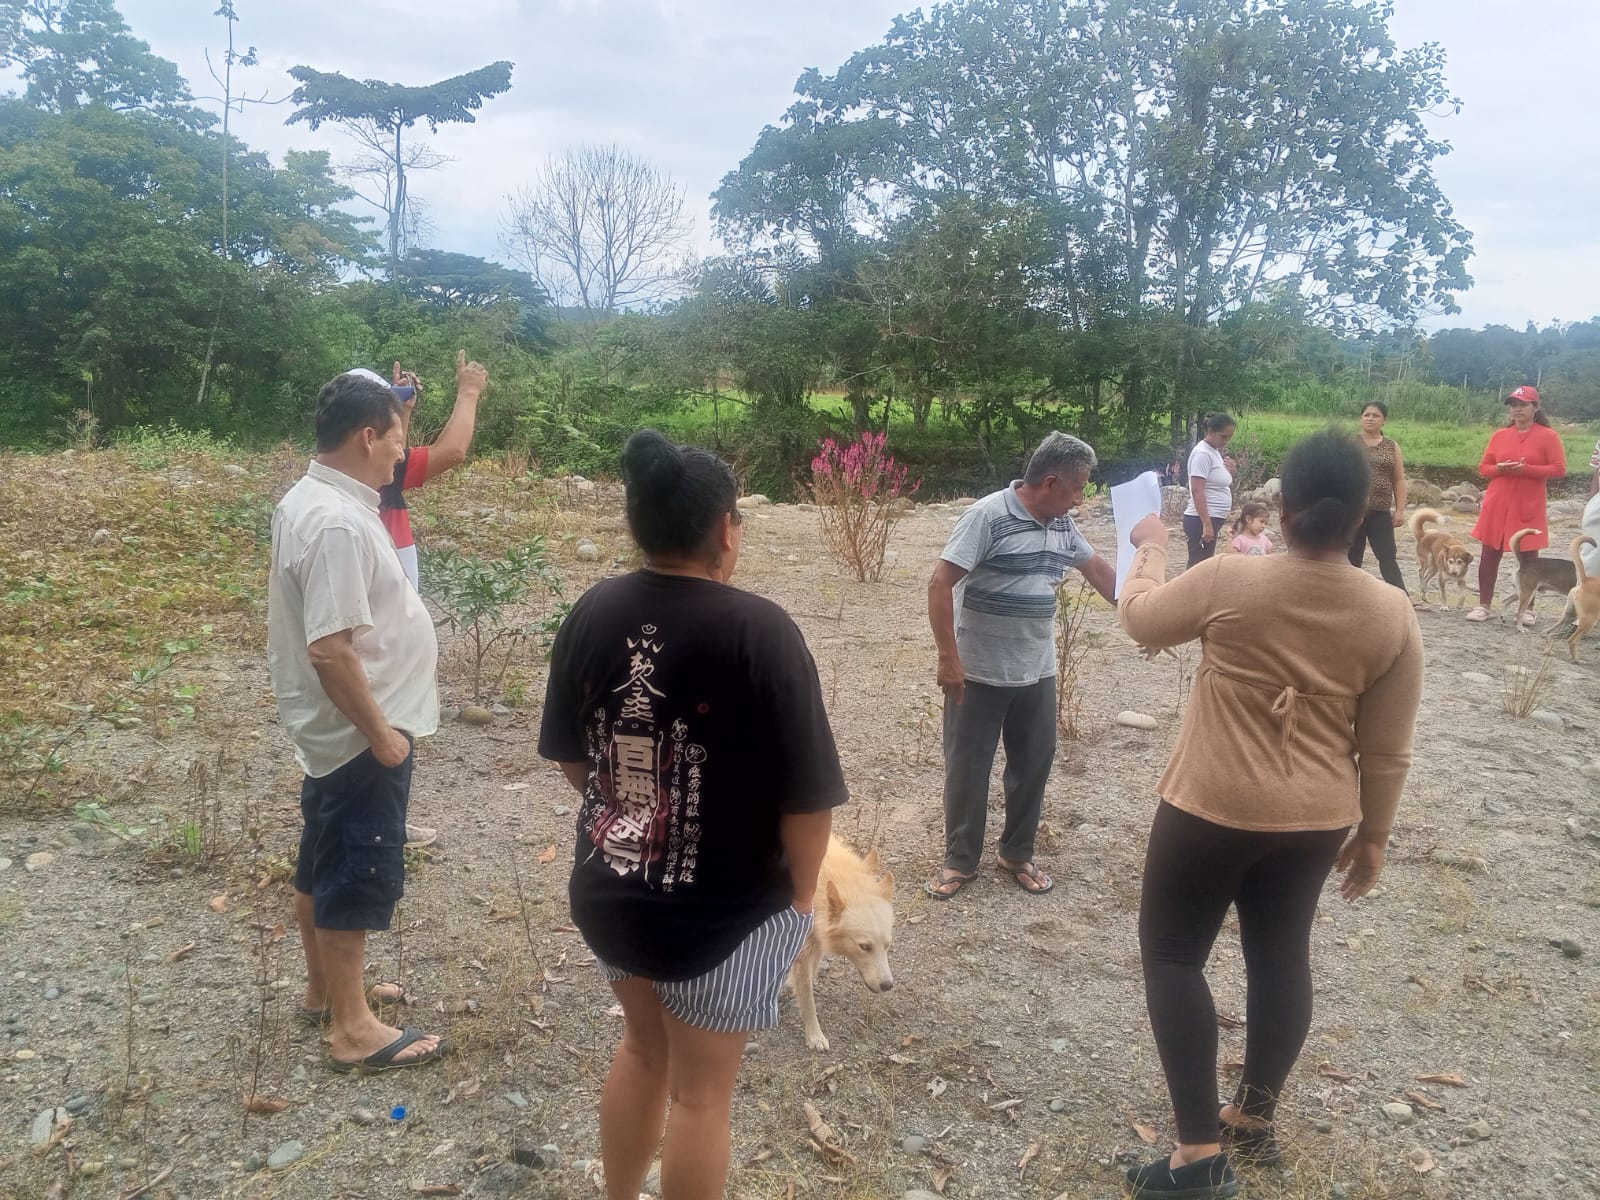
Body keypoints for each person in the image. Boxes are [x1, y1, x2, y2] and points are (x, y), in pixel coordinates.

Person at [537, 430, 847, 1200]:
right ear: (725, 530)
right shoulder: (760, 631)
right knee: (701, 1097)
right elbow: (809, 797)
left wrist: (631, 817)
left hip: (611, 894)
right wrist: (801, 898)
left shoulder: (592, 610)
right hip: (726, 917)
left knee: (643, 1051)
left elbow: (574, 759)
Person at [1116, 430, 1423, 1199]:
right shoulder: (1390, 611)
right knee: (1281, 957)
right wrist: (1374, 837)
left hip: (1210, 804)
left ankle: (1197, 1154)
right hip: (1316, 818)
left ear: (1282, 508)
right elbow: (1387, 750)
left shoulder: (1232, 578)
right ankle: (1252, 1119)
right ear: (1361, 514)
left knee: (1173, 955)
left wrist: (1150, 546)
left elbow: (1141, 619)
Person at [267, 372, 447, 1072]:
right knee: (354, 868)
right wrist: (383, 737)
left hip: (335, 732)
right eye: (397, 437)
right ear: (368, 436)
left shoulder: (313, 498)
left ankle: (325, 991)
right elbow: (330, 649)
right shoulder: (338, 522)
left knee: (321, 858)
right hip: (358, 733)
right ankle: (353, 1030)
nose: (403, 451)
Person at [925, 432, 1117, 900]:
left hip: (1037, 671)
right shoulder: (987, 516)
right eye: (1077, 490)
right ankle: (959, 860)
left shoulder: (1061, 524)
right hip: (978, 673)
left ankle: (1016, 852)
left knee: (1032, 765)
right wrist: (949, 658)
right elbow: (940, 583)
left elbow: (1097, 570)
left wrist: (1146, 611)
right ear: (1050, 482)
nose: (1080, 500)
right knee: (968, 768)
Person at [348, 350, 488, 593]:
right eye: (385, 415)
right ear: (368, 434)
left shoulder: (346, 470)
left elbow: (395, 454)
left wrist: (402, 411)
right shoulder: (374, 475)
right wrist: (469, 391)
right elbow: (453, 451)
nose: (399, 454)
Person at [1466, 385, 1568, 623]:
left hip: (1527, 503)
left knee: (1529, 557)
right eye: (1513, 405)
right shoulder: (1500, 435)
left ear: (1535, 407)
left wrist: (1527, 469)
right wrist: (1499, 469)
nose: (1517, 409)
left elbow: (1559, 469)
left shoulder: (1548, 436)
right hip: (1498, 501)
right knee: (1489, 553)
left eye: (1523, 404)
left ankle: (1528, 608)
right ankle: (1483, 605)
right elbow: (1484, 468)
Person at [1347, 401, 1410, 592]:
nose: (1370, 419)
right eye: (1366, 415)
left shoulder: (1391, 446)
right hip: (1352, 512)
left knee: (1387, 556)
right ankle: (1348, 597)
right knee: (1351, 558)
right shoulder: (1349, 442)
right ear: (1360, 418)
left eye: (1375, 415)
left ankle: (1401, 598)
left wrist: (1400, 510)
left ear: (1384, 420)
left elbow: (1398, 479)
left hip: (1381, 511)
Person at [1183, 413, 1238, 568]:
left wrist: (1231, 471)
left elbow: (1217, 481)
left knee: (1205, 563)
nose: (1226, 440)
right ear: (1211, 431)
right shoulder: (1202, 454)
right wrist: (1206, 524)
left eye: (1230, 437)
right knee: (1199, 565)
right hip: (1201, 518)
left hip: (1212, 516)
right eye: (1223, 436)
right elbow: (1197, 490)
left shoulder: (1214, 451)